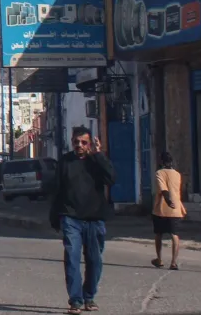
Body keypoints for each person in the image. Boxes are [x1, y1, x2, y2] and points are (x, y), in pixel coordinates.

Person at [50, 127, 116, 314]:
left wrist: (99, 155)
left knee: (94, 260)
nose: (79, 145)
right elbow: (57, 190)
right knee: (72, 258)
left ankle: (89, 297)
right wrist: (55, 217)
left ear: (90, 144)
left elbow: (111, 179)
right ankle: (76, 301)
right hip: (71, 218)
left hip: (94, 219)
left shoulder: (96, 161)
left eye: (83, 142)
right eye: (76, 142)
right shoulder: (65, 162)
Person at [151, 151, 186, 270]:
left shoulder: (159, 173)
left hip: (161, 207)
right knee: (174, 235)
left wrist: (167, 199)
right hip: (176, 208)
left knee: (158, 234)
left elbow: (163, 188)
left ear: (161, 161)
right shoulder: (177, 174)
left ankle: (159, 259)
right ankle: (174, 262)